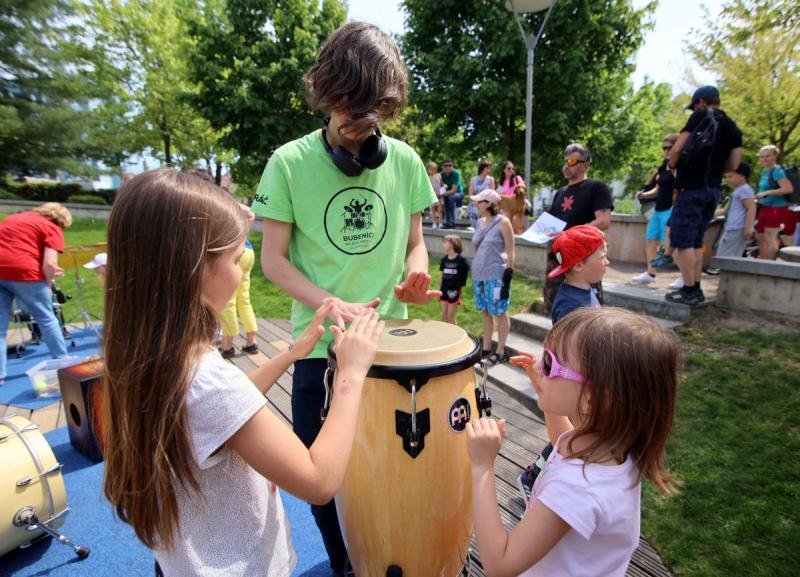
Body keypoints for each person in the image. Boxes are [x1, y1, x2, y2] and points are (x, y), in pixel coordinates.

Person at [102, 169, 384, 577]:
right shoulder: (209, 380)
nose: (240, 271)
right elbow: (319, 481)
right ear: (194, 268)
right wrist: (351, 375)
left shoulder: (147, 353)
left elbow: (223, 414)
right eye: (236, 259)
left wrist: (293, 353)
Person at [252, 22, 439, 576]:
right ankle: (345, 565)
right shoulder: (287, 163)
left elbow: (417, 244)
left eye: (375, 119)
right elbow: (273, 261)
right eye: (354, 116)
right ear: (328, 96)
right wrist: (334, 304)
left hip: (393, 348)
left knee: (394, 471)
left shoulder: (404, 161)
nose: (364, 131)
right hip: (319, 351)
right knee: (324, 482)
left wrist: (417, 273)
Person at [467, 307, 680, 577]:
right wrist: (544, 385)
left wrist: (483, 466)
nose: (540, 366)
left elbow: (500, 565)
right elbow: (561, 442)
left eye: (550, 364)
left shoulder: (576, 489)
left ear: (594, 399)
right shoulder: (606, 445)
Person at [517, 225, 608, 503]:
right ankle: (535, 475)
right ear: (578, 265)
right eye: (602, 257)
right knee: (572, 434)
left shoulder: (585, 291)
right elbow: (570, 350)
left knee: (578, 433)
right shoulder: (571, 305)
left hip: (589, 378)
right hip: (576, 381)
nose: (607, 262)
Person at [666, 86, 742, 305]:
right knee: (696, 241)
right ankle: (696, 288)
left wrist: (673, 165)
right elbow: (734, 164)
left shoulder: (700, 115)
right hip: (713, 190)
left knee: (682, 243)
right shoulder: (733, 127)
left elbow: (677, 148)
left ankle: (689, 289)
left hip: (691, 189)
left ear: (700, 102)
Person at [0, 203, 72, 386]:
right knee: (47, 318)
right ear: (61, 222)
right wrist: (47, 284)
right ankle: (62, 362)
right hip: (25, 272)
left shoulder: (12, 218)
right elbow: (49, 263)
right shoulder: (52, 227)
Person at [543, 143, 613, 315]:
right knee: (554, 307)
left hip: (582, 259)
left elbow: (604, 221)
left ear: (585, 165)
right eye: (565, 161)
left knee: (588, 314)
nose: (566, 165)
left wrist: (569, 234)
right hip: (557, 258)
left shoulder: (596, 187)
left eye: (572, 161)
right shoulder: (560, 192)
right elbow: (552, 222)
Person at [471, 189, 515, 365]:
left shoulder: (503, 222)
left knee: (500, 312)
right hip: (479, 275)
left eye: (479, 201)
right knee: (485, 311)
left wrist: (508, 277)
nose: (476, 204)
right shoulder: (480, 222)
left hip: (496, 276)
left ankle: (500, 351)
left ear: (489, 203)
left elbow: (511, 251)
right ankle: (486, 348)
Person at [632, 135, 678, 285]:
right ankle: (650, 273)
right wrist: (644, 194)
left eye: (669, 148)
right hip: (658, 209)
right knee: (651, 240)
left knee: (672, 243)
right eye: (664, 148)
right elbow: (658, 190)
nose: (666, 151)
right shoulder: (663, 167)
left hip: (671, 209)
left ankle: (685, 277)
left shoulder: (678, 167)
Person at [217, 238, 259, 359]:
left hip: (235, 252)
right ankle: (252, 343)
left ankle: (227, 346)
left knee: (228, 300)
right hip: (248, 250)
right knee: (244, 299)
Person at [754, 145, 795, 260]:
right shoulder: (764, 171)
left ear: (775, 156)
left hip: (776, 208)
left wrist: (766, 192)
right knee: (760, 236)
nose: (764, 159)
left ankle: (770, 264)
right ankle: (762, 261)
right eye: (762, 156)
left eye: (767, 156)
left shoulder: (777, 171)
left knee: (769, 238)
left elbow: (788, 189)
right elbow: (763, 190)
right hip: (764, 207)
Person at [715, 162, 756, 258]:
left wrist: (748, 228)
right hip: (732, 228)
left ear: (742, 176)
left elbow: (751, 208)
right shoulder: (737, 191)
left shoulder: (744, 189)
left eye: (730, 176)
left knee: (724, 256)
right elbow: (725, 210)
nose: (727, 180)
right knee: (729, 255)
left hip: (737, 228)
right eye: (725, 177)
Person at [439, 234, 470, 325]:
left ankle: (455, 333)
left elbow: (464, 276)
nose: (443, 245)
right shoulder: (444, 259)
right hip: (443, 290)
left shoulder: (461, 261)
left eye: (445, 242)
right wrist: (439, 290)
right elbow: (442, 276)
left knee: (451, 316)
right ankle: (445, 333)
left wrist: (457, 287)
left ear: (452, 244)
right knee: (444, 315)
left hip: (454, 292)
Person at [468, 159, 495, 230]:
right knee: (474, 207)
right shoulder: (473, 180)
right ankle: (474, 225)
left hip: (486, 203)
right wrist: (477, 202)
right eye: (489, 168)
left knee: (485, 207)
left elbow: (492, 195)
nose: (490, 169)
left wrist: (485, 203)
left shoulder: (491, 179)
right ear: (484, 168)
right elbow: (470, 195)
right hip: (475, 202)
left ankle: (483, 226)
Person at [441, 159, 463, 229]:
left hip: (458, 193)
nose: (448, 167)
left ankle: (452, 222)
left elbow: (454, 190)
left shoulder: (455, 174)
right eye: (445, 166)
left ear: (452, 166)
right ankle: (447, 223)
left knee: (451, 197)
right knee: (446, 198)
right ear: (442, 167)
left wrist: (440, 194)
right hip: (447, 194)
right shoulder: (441, 175)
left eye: (450, 165)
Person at [428, 161, 445, 229]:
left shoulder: (439, 176)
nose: (433, 171)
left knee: (440, 210)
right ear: (428, 170)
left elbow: (441, 183)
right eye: (431, 169)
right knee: (433, 210)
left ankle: (440, 222)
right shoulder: (427, 178)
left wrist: (444, 186)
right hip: (432, 195)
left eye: (434, 169)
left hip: (439, 195)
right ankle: (434, 222)